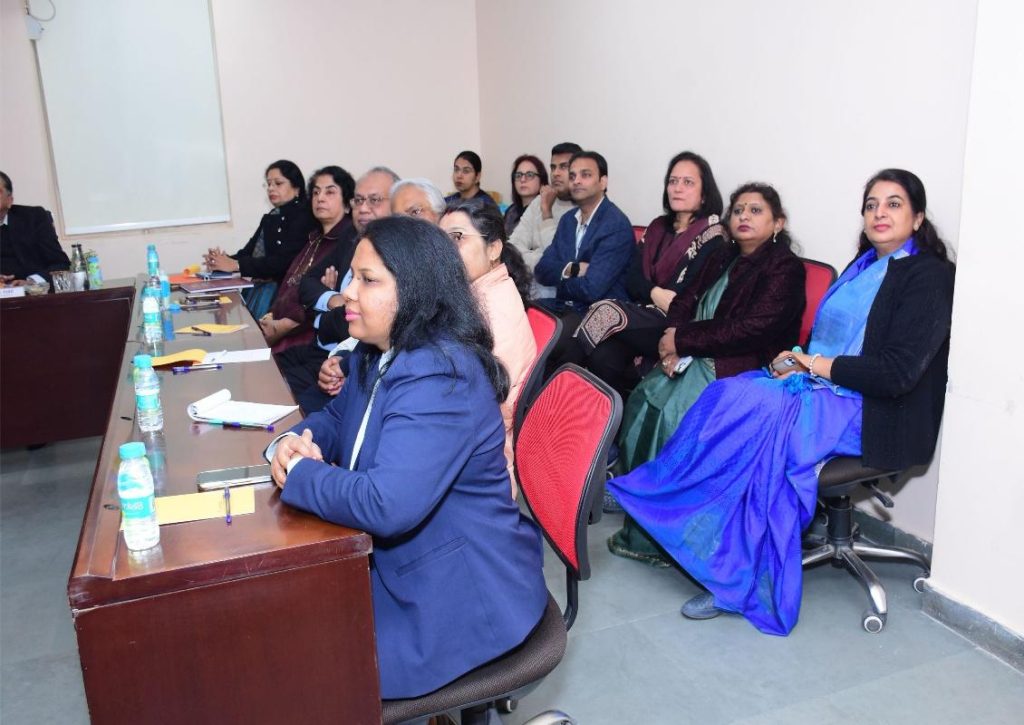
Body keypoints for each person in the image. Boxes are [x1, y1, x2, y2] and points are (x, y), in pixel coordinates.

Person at [607, 169, 955, 636]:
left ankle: (739, 579)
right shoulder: (864, 265)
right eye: (871, 204)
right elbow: (830, 339)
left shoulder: (930, 276)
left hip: (875, 410)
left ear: (917, 218)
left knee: (761, 436)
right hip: (823, 387)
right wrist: (797, 361)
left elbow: (896, 372)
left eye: (893, 204)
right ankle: (675, 513)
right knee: (726, 397)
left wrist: (812, 364)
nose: (880, 213)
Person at [265, 215, 548, 699]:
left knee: (304, 670)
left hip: (458, 596)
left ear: (416, 290)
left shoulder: (440, 374)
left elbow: (386, 504)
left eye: (368, 280)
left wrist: (300, 472)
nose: (348, 293)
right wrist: (288, 442)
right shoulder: (377, 349)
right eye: (353, 277)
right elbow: (335, 418)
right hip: (405, 565)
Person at [607, 182, 806, 564]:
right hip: (695, 353)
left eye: (756, 210)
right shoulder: (721, 256)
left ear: (778, 223)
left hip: (743, 364)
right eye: (739, 210)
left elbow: (753, 329)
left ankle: (669, 536)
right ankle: (642, 515)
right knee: (643, 403)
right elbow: (685, 300)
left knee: (674, 419)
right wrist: (672, 337)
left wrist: (682, 340)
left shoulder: (785, 268)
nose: (744, 216)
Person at [573, 151, 727, 398]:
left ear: (704, 193)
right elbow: (633, 279)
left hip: (676, 323)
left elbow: (689, 294)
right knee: (604, 357)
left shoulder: (712, 235)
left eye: (688, 182)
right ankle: (612, 418)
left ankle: (559, 386)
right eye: (673, 181)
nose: (677, 188)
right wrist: (655, 293)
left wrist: (658, 297)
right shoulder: (657, 227)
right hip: (640, 315)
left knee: (606, 311)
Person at [280, 167, 400, 408]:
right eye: (359, 200)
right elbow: (307, 283)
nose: (363, 208)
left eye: (374, 200)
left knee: (282, 400)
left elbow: (353, 327)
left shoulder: (398, 257)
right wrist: (334, 300)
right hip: (328, 352)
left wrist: (325, 318)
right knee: (264, 369)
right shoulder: (352, 238)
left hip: (349, 363)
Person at [439, 198, 536, 493]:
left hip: (479, 466)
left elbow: (481, 411)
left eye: (457, 237)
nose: (444, 250)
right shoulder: (476, 295)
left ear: (493, 249)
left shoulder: (493, 312)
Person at [533, 150, 635, 375]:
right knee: (522, 317)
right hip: (566, 307)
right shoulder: (568, 221)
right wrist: (574, 269)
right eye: (573, 176)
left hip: (597, 314)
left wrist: (561, 282)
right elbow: (541, 270)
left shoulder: (614, 224)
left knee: (550, 343)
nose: (576, 180)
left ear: (603, 182)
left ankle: (548, 396)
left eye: (585, 175)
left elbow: (592, 289)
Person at [260, 166, 356, 358]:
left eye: (330, 192)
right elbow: (291, 284)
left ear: (347, 204)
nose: (320, 198)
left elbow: (317, 299)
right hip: (283, 326)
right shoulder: (314, 238)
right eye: (316, 192)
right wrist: (271, 314)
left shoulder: (347, 241)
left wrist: (283, 324)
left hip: (309, 337)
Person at [203, 160, 315, 318]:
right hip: (260, 289)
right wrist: (221, 261)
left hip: (282, 294)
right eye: (268, 184)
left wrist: (235, 265)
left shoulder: (303, 217)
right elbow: (248, 252)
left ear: (296, 188)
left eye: (278, 183)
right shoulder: (272, 216)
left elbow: (283, 263)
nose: (271, 188)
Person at [508, 142, 582, 272]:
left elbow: (562, 261)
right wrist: (541, 260)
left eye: (563, 167)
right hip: (529, 281)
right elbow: (512, 248)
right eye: (553, 167)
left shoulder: (584, 208)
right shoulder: (540, 200)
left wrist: (546, 212)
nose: (556, 173)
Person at [0, 171, 70, 286]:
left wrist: (32, 282)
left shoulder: (34, 218)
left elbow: (61, 265)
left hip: (34, 292)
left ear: (10, 200)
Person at [504, 154, 548, 237]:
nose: (523, 179)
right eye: (518, 175)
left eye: (530, 175)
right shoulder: (511, 211)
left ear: (542, 182)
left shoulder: (546, 212)